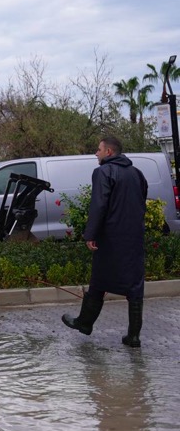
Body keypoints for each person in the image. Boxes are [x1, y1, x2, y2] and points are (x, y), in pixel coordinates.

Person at [62, 136, 148, 347]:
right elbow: (142, 199)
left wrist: (90, 234)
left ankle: (84, 323)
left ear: (109, 152)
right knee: (135, 285)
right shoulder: (136, 173)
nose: (96, 153)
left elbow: (99, 204)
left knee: (100, 279)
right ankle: (133, 336)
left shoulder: (103, 172)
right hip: (134, 236)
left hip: (110, 236)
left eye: (99, 149)